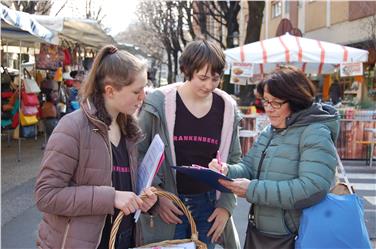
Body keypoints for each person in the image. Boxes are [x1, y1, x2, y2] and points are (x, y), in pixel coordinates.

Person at [34, 45, 157, 249]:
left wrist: (143, 200)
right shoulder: (72, 127)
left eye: (144, 88)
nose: (143, 96)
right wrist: (111, 197)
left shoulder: (129, 130)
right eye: (136, 90)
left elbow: (123, 188)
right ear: (110, 91)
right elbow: (46, 196)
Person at [209, 66, 339, 249]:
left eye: (276, 103)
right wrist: (226, 170)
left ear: (295, 101)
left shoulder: (315, 132)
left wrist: (253, 190)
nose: (268, 109)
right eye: (266, 102)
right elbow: (249, 168)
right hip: (261, 232)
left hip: (295, 235)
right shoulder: (270, 131)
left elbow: (313, 187)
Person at [138, 39, 241, 249]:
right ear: (187, 70)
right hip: (169, 205)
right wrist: (157, 197)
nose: (209, 85)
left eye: (215, 78)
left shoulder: (227, 107)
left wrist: (226, 206)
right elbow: (138, 152)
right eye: (202, 77)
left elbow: (234, 159)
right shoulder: (158, 103)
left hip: (210, 206)